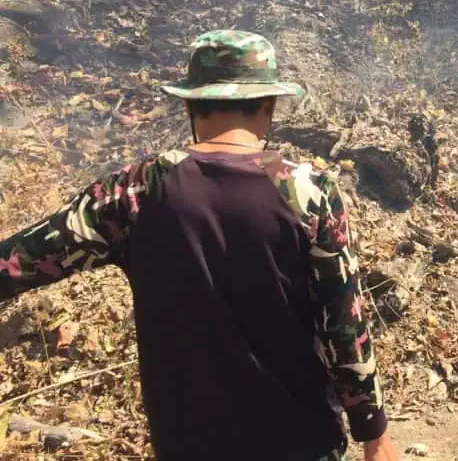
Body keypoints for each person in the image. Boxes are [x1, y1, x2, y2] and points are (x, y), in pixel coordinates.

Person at [0, 30, 398, 461]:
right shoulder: (305, 188)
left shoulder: (136, 190)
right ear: (270, 106)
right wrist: (373, 433)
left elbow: (20, 261)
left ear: (190, 104)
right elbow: (344, 326)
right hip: (301, 442)